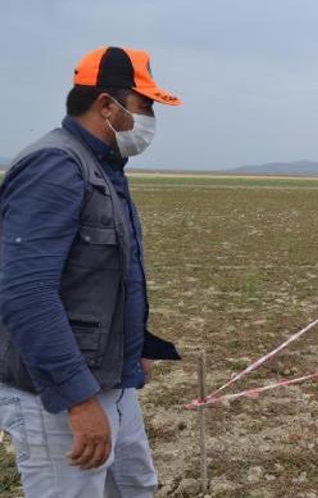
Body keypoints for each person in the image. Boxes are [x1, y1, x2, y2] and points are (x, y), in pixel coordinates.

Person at [0, 46, 182, 498]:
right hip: (58, 395)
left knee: (135, 485)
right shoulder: (56, 166)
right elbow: (26, 292)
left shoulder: (103, 168)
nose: (150, 119)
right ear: (106, 104)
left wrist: (132, 346)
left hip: (109, 379)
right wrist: (77, 400)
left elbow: (98, 278)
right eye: (145, 106)